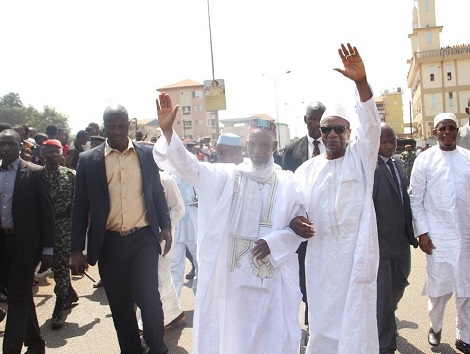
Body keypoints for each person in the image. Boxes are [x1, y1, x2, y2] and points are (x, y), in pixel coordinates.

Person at [154, 94, 306, 354]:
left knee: (272, 340)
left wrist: (276, 241)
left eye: (264, 145)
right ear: (245, 146)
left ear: (274, 146)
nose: (258, 150)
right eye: (253, 144)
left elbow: (299, 228)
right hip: (233, 282)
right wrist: (168, 132)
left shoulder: (289, 182)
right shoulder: (228, 175)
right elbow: (191, 168)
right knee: (234, 339)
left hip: (273, 281)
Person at [291, 43, 381, 353]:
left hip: (355, 260)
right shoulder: (306, 171)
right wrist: (295, 221)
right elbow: (293, 207)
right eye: (327, 128)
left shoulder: (360, 158)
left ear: (348, 132)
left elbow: (371, 125)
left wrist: (360, 82)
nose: (332, 134)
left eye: (339, 129)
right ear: (320, 131)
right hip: (321, 264)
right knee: (324, 329)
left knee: (356, 327)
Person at [70, 104, 172, 354]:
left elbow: (156, 192)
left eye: (122, 125)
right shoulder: (88, 161)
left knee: (150, 300)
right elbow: (80, 205)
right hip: (110, 243)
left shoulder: (146, 155)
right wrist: (76, 249)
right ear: (104, 127)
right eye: (112, 126)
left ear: (129, 126)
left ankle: (158, 348)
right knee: (120, 305)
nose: (117, 131)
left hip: (143, 239)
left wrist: (166, 225)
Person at [410, 112, 470, 353]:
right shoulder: (424, 161)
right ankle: (435, 327)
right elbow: (416, 200)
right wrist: (422, 232)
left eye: (451, 128)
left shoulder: (467, 158)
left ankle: (464, 334)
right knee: (440, 292)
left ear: (457, 131)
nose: (447, 132)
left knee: (467, 291)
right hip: (438, 238)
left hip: (466, 236)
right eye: (442, 128)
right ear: (435, 132)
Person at [0, 129, 56, 354]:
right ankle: (35, 343)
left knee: (15, 298)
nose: (5, 148)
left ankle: (10, 350)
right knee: (21, 295)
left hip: (25, 246)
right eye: (1, 144)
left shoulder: (34, 173)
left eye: (10, 144)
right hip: (2, 246)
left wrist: (48, 250)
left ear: (20, 146)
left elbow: (47, 213)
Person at [373, 123, 418, 353]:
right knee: (383, 293)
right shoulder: (370, 168)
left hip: (401, 240)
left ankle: (387, 316)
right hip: (381, 243)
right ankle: (385, 344)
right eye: (384, 142)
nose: (389, 146)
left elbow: (404, 198)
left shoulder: (398, 163)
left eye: (392, 141)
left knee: (401, 283)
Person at [282, 100, 326, 332]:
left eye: (322, 118)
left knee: (324, 276)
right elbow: (285, 188)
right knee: (302, 276)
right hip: (300, 228)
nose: (318, 124)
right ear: (306, 120)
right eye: (314, 118)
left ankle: (317, 324)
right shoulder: (291, 150)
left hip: (328, 226)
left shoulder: (337, 147)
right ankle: (307, 322)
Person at [42, 139, 79, 330]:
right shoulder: (36, 176)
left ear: (61, 155)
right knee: (56, 264)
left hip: (65, 225)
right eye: (49, 152)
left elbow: (81, 203)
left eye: (56, 152)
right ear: (43, 153)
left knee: (60, 263)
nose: (53, 155)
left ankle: (60, 304)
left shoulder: (71, 175)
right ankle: (69, 292)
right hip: (42, 227)